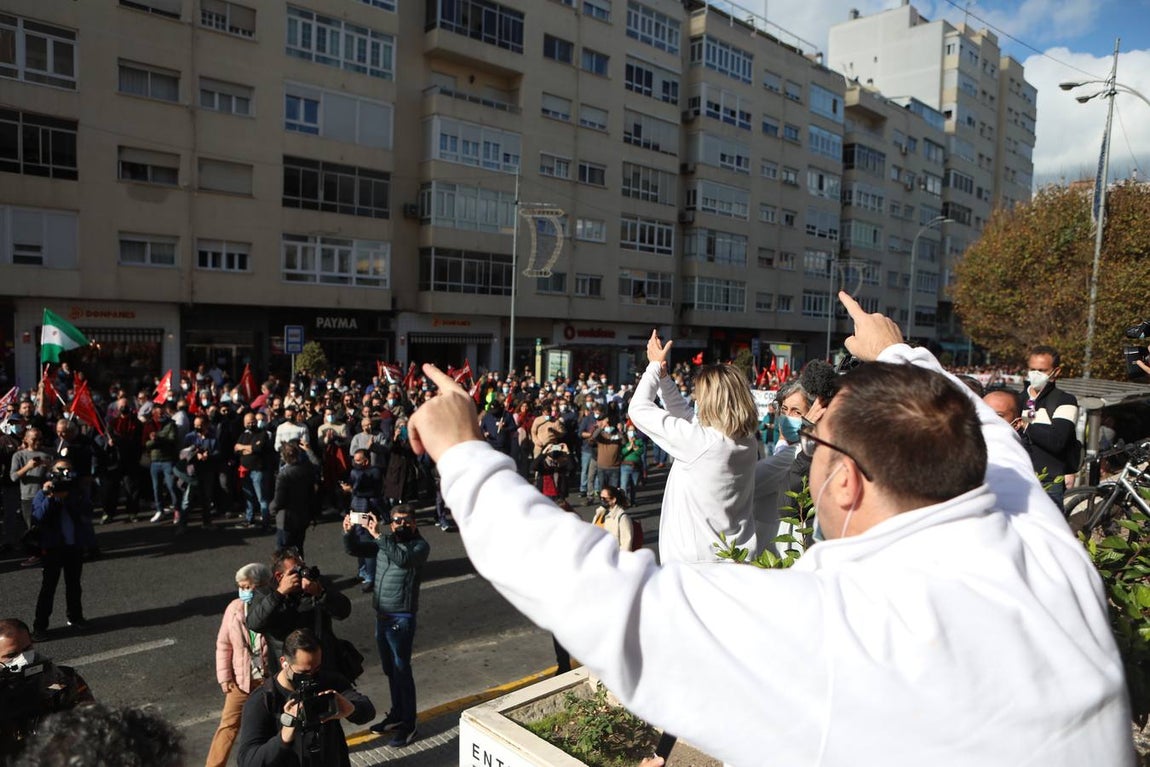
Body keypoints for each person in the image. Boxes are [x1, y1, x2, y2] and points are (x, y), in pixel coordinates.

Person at [405, 291, 1133, 766]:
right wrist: (895, 353)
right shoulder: (1046, 549)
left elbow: (595, 592)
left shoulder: (843, 637)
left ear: (847, 481)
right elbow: (992, 439)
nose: (805, 443)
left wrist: (463, 451)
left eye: (817, 440)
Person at [628, 330, 759, 563]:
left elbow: (638, 409)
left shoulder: (702, 444)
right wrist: (665, 379)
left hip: (695, 569)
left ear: (712, 400)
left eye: (699, 396)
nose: (696, 400)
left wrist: (654, 368)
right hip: (734, 559)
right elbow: (687, 416)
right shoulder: (746, 440)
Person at [342, 505, 428, 747]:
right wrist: (348, 533)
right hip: (382, 617)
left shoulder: (419, 547)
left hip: (402, 618)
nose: (401, 525)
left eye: (407, 520)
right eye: (397, 521)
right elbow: (355, 549)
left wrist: (379, 536)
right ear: (391, 524)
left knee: (402, 670)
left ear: (415, 523)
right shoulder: (385, 541)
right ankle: (397, 715)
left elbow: (402, 559)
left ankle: (409, 724)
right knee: (391, 670)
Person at [235, 628, 374, 767]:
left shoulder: (328, 682)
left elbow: (367, 710)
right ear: (284, 662)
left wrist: (351, 709)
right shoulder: (263, 700)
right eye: (303, 672)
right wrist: (284, 736)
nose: (311, 678)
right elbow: (247, 761)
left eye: (316, 669)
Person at [0, 617, 94, 761]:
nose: (24, 659)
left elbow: (91, 721)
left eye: (27, 649)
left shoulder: (63, 680)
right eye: (11, 655)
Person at [207, 563, 273, 767]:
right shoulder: (234, 609)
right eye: (241, 587)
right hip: (241, 681)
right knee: (228, 725)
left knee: (270, 726)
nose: (243, 591)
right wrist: (225, 677)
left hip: (267, 681)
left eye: (247, 587)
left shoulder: (272, 608)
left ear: (262, 586)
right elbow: (224, 644)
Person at [245, 549, 352, 672]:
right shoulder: (265, 594)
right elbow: (254, 624)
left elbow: (344, 611)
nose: (303, 574)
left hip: (322, 663)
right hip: (288, 667)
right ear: (280, 576)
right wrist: (279, 594)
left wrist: (320, 593)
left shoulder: (317, 584)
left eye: (303, 568)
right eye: (297, 572)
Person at [31, 461, 96, 640]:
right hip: (52, 548)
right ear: (51, 473)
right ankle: (40, 626)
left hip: (73, 546)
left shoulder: (76, 491)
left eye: (67, 469)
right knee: (48, 588)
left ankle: (76, 617)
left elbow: (88, 512)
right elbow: (38, 517)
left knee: (74, 585)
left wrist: (71, 496)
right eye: (59, 470)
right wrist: (51, 496)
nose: (64, 473)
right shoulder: (43, 493)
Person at [1018, 345, 1079, 507]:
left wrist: (1026, 425)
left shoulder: (1064, 401)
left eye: (1042, 370)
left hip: (1049, 482)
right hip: (1018, 478)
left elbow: (1056, 441)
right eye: (1032, 369)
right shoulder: (1016, 399)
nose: (1036, 374)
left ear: (1056, 372)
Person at [10, 428, 51, 568]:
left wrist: (50, 466)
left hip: (45, 495)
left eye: (40, 438)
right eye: (34, 439)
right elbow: (13, 477)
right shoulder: (19, 455)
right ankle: (36, 554)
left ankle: (47, 553)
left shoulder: (47, 454)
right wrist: (28, 467)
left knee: (47, 525)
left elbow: (57, 472)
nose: (38, 442)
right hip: (28, 496)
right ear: (26, 439)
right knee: (32, 527)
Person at [270, 443, 317, 554]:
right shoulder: (307, 470)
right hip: (303, 515)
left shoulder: (283, 475)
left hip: (287, 518)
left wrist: (271, 509)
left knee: (284, 551)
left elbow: (279, 500)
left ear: (283, 456)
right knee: (298, 548)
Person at [235, 412, 273, 530]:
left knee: (262, 498)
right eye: (248, 423)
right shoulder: (243, 435)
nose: (251, 424)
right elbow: (236, 449)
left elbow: (258, 448)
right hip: (246, 470)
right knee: (249, 497)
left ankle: (266, 523)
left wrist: (244, 447)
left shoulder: (262, 434)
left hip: (258, 471)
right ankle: (249, 519)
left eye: (253, 422)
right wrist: (248, 448)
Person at [591, 486, 634, 551]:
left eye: (604, 498)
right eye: (600, 498)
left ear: (614, 500)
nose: (602, 500)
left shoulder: (622, 517)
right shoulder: (599, 513)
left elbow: (626, 543)